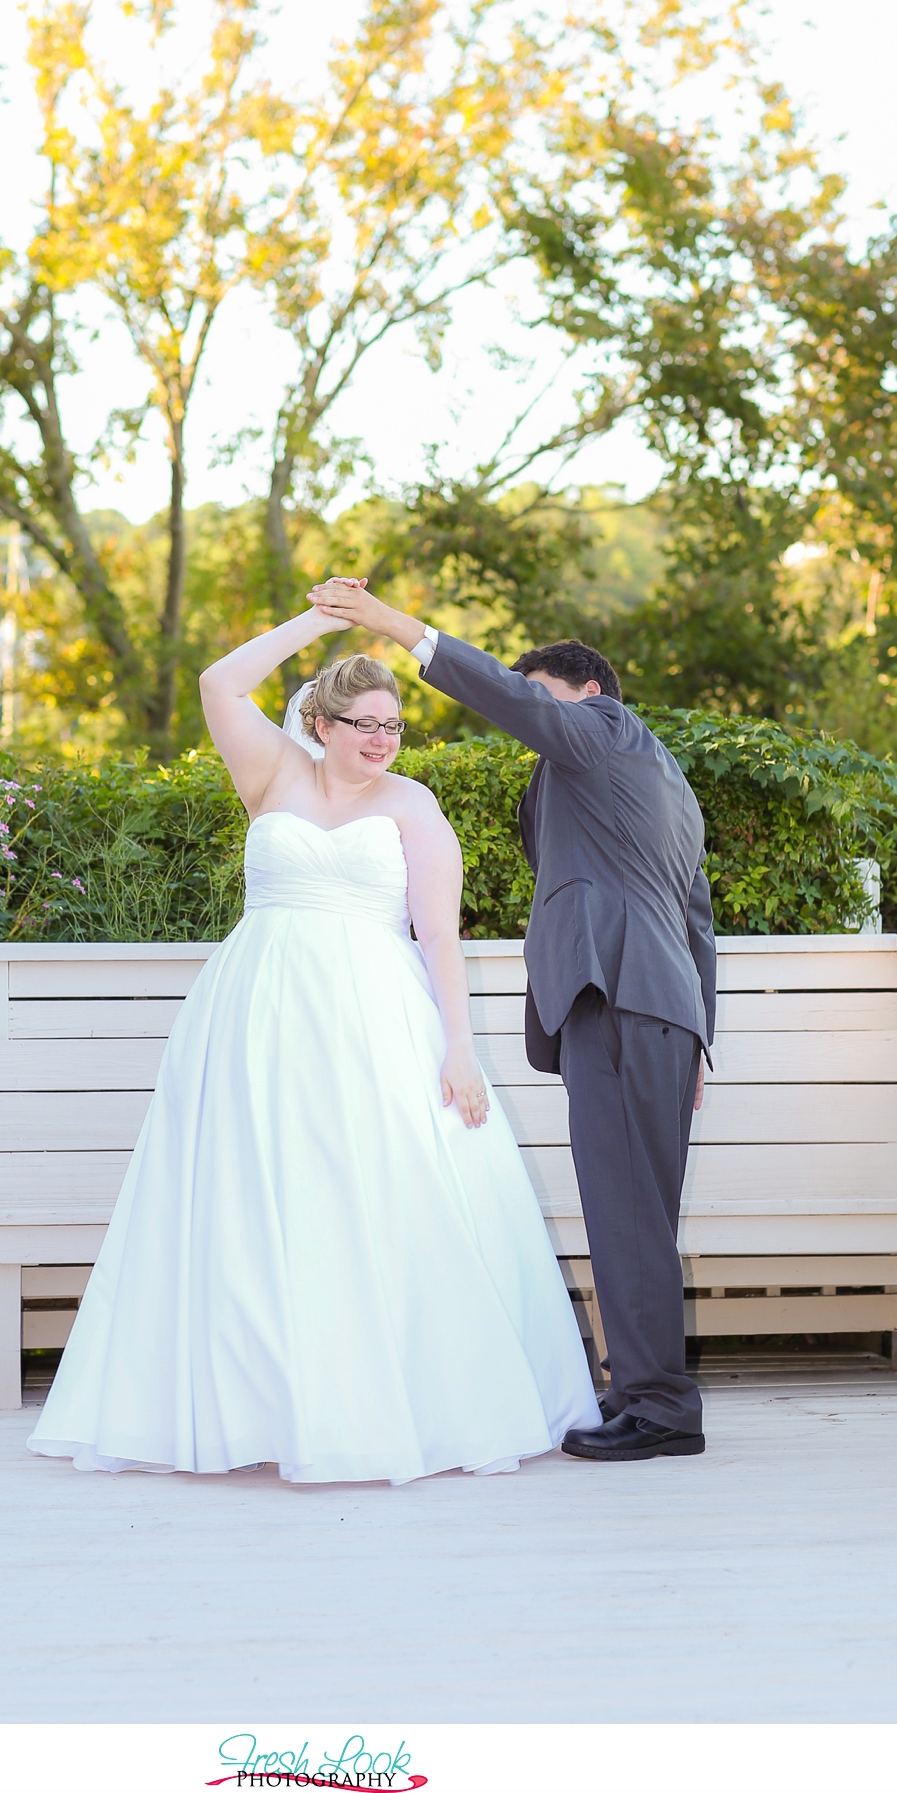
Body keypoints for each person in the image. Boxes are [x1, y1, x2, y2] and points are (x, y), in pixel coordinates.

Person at [27, 603, 599, 1485]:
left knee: (368, 1188)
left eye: (394, 725)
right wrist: (316, 618)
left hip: (374, 1017)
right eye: (364, 724)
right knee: (246, 1197)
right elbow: (219, 682)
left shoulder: (415, 805)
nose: (382, 739)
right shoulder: (271, 774)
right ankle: (252, 1406)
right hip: (254, 1013)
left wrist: (459, 1049)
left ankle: (379, 1406)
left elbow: (439, 937)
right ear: (320, 723)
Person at [307, 578, 717, 1463]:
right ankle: (643, 1390)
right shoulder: (661, 783)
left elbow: (499, 691)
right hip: (656, 1010)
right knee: (639, 1212)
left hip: (618, 1000)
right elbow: (696, 920)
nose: (533, 720)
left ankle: (658, 1407)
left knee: (625, 1211)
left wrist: (394, 626)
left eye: (544, 699)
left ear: (591, 698)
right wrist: (695, 1038)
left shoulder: (607, 736)